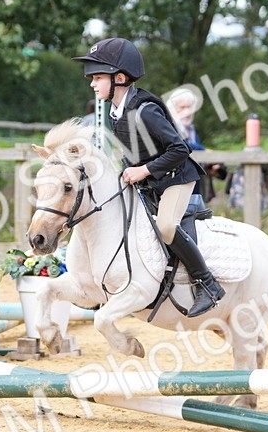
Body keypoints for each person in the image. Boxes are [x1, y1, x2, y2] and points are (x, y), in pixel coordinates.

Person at [72, 38, 224, 317]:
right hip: (154, 180)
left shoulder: (145, 109)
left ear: (119, 77)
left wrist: (143, 170)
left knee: (165, 226)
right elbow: (136, 149)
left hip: (177, 178)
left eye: (97, 77)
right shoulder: (115, 110)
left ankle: (208, 283)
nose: (92, 84)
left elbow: (181, 148)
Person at [166, 88, 227, 203]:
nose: (187, 111)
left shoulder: (191, 130)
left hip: (194, 187)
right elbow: (182, 143)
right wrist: (204, 150)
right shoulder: (171, 127)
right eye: (182, 107)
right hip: (178, 186)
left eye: (189, 107)